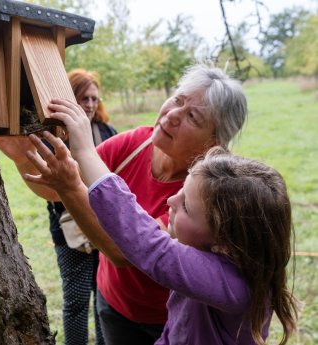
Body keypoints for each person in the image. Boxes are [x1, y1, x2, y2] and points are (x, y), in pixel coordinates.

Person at [0, 63, 249, 344]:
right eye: (177, 99)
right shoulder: (137, 142)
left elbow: (125, 251)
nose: (173, 115)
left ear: (213, 141)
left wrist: (70, 181)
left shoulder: (205, 190)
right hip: (113, 303)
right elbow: (57, 187)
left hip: (166, 320)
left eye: (192, 116)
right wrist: (23, 157)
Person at [23, 127, 299, 345]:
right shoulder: (224, 256)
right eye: (182, 188)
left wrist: (83, 149)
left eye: (186, 206)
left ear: (224, 243)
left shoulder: (234, 286)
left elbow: (153, 249)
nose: (170, 201)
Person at [0, 69, 116, 345]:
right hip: (69, 232)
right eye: (84, 97)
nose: (90, 104)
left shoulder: (108, 132)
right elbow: (46, 184)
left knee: (104, 297)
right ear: (70, 98)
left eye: (95, 98)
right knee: (76, 300)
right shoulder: (55, 135)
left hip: (106, 228)